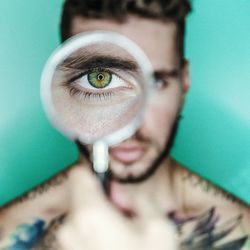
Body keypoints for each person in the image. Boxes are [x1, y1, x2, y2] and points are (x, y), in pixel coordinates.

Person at [0, 0, 249, 249]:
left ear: (183, 84)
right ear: (62, 88)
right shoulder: (7, 233)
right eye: (100, 80)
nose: (131, 123)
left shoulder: (243, 229)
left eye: (156, 83)